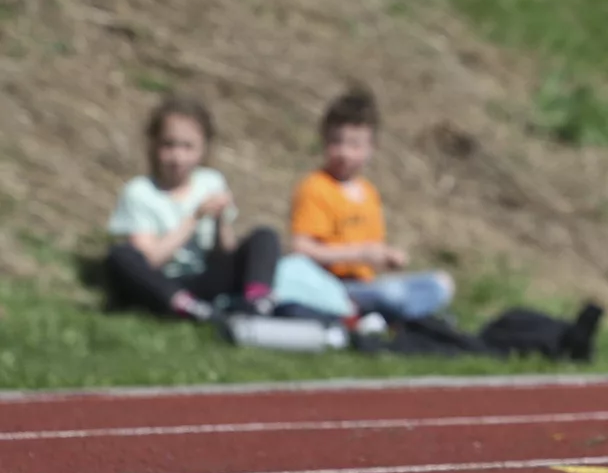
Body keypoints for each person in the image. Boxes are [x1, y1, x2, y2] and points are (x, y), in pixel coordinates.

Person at [104, 96, 279, 321]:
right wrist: (193, 219)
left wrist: (221, 220)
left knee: (264, 236)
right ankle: (186, 307)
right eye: (169, 145)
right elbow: (150, 259)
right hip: (163, 282)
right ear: (154, 145)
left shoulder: (212, 182)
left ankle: (257, 304)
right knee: (120, 256)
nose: (178, 157)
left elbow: (225, 251)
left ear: (202, 149)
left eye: (188, 147)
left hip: (205, 277)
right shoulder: (139, 192)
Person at [289, 87, 456, 321]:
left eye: (354, 145)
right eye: (337, 142)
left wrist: (387, 257)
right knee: (391, 294)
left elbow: (372, 254)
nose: (344, 153)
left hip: (366, 285)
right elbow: (301, 249)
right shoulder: (315, 187)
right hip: (331, 286)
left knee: (441, 283)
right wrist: (359, 253)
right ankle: (401, 318)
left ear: (371, 148)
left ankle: (392, 316)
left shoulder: (368, 193)